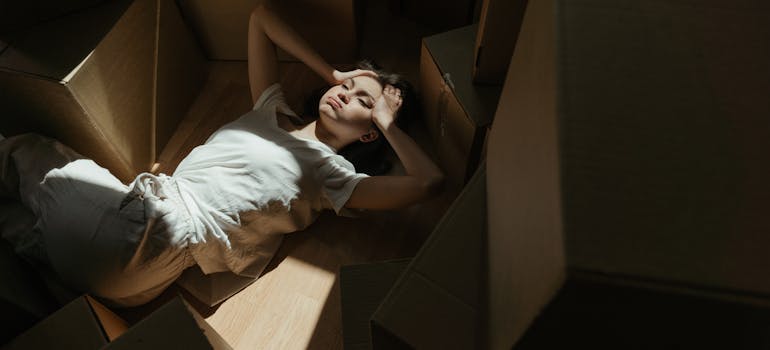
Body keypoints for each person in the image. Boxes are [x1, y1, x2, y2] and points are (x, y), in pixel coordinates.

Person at [0, 4, 443, 307]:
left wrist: (387, 121)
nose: (344, 95)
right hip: (131, 280)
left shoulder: (335, 177)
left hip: (155, 238)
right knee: (17, 225)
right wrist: (334, 70)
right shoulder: (271, 109)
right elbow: (261, 18)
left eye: (363, 102)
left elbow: (427, 183)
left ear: (369, 135)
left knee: (30, 150)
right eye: (345, 88)